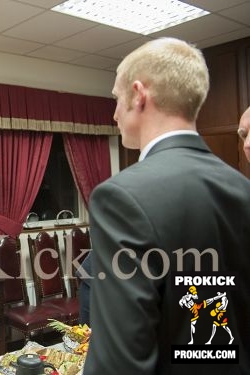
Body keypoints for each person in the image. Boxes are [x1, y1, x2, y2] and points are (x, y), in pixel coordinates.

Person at [83, 38, 250, 375]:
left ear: (138, 95)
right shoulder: (242, 189)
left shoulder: (121, 197)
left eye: (116, 99)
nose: (114, 113)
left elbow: (120, 362)